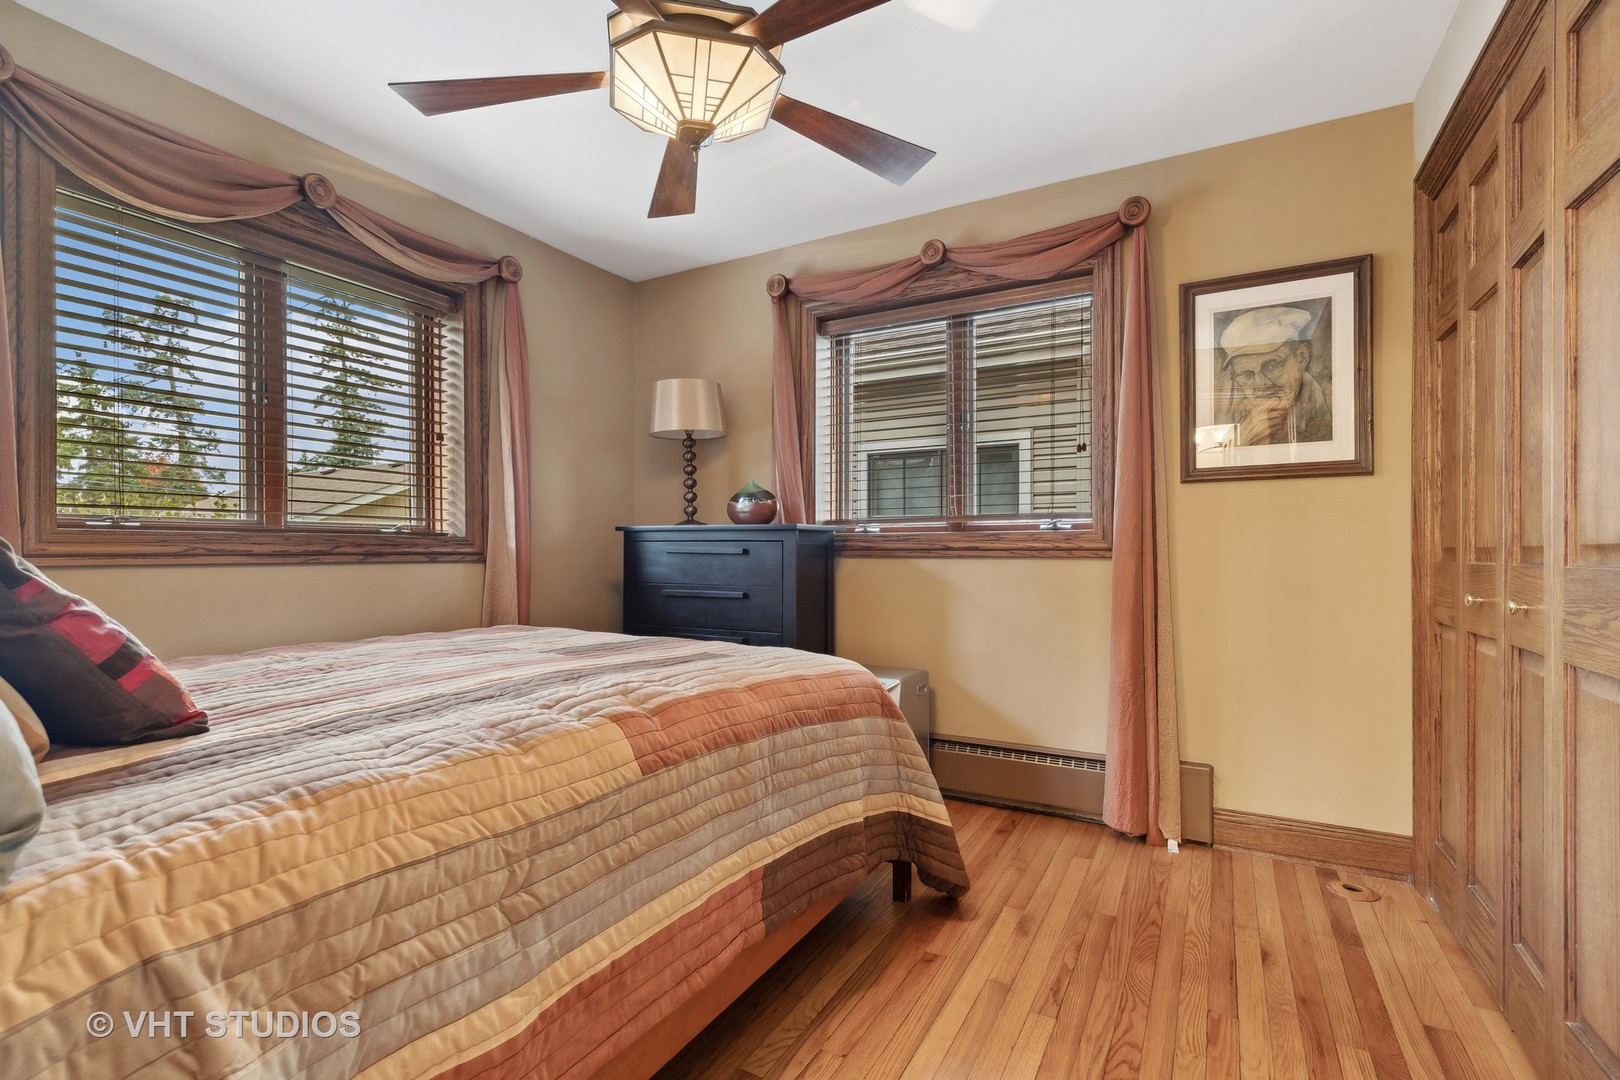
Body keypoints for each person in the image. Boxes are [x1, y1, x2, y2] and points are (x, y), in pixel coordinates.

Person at [1216, 304, 1333, 445]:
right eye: (1246, 375)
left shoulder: (1334, 401)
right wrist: (1242, 439)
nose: (1261, 384)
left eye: (1271, 366)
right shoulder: (1232, 415)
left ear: (1301, 357)